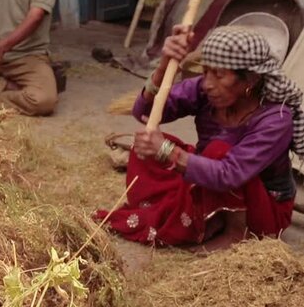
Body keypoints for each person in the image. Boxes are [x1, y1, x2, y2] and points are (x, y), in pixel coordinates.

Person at [96, 25, 304, 249]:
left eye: (219, 75)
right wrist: (165, 65)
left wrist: (167, 151)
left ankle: (235, 233)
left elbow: (230, 174)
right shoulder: (205, 90)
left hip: (261, 210)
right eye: (205, 71)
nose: (208, 84)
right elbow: (145, 112)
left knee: (215, 151)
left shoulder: (276, 119)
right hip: (211, 182)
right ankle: (204, 220)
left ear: (251, 80)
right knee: (147, 143)